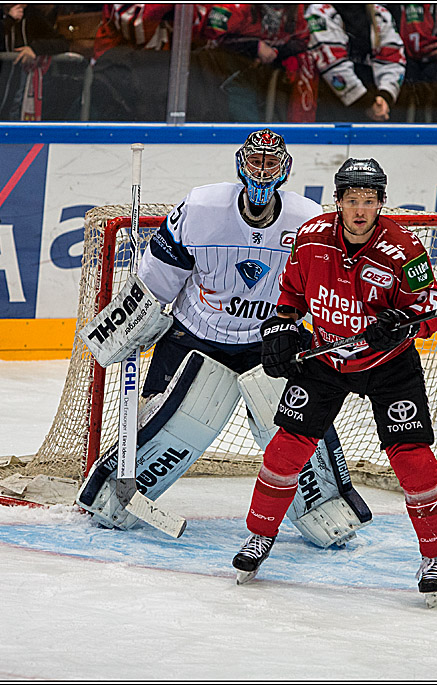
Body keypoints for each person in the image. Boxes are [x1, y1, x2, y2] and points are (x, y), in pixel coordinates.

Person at [77, 130, 372, 550]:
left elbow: (321, 286)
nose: (262, 171)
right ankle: (109, 498)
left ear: (285, 169)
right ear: (240, 164)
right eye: (256, 161)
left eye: (271, 163)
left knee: (296, 421)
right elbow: (156, 280)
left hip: (267, 341)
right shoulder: (201, 208)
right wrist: (133, 321)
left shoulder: (307, 219)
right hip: (193, 335)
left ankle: (325, 506)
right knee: (164, 425)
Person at [232, 158, 437, 606]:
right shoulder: (311, 237)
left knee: (413, 461)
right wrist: (282, 328)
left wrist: (402, 323)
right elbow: (291, 295)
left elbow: (430, 310)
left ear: (381, 203)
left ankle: (436, 556)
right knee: (285, 448)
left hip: (389, 365)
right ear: (338, 201)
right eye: (352, 200)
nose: (360, 210)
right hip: (327, 357)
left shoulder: (405, 249)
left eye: (369, 201)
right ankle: (260, 535)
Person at [304, 3, 406, 122]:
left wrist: (384, 95)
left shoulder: (380, 14)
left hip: (373, 102)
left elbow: (392, 59)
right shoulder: (318, 11)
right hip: (330, 104)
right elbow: (333, 64)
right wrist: (366, 103)